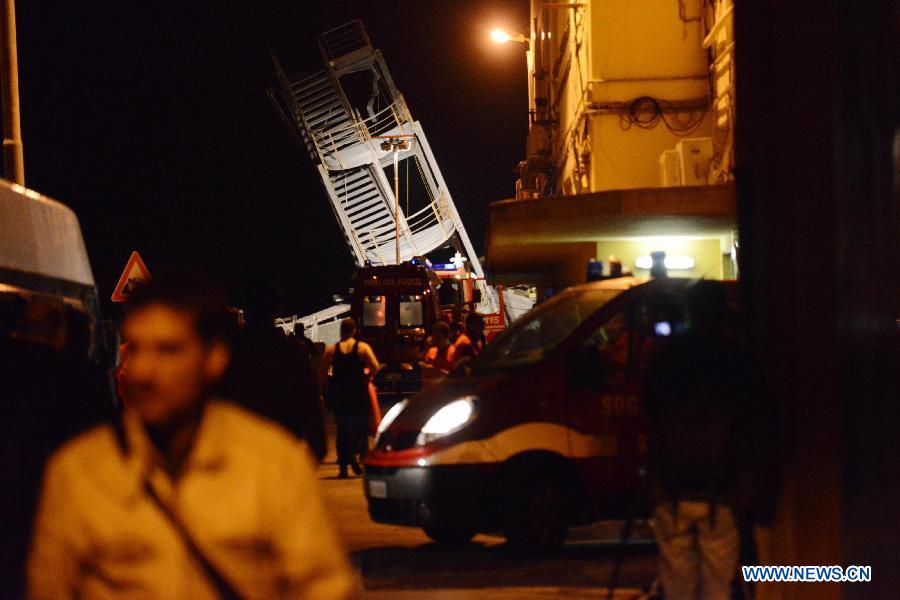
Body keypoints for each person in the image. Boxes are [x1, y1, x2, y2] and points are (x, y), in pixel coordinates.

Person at [28, 272, 355, 599]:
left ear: (214, 360)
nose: (142, 370)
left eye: (168, 350)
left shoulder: (273, 467)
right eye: (136, 349)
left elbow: (324, 587)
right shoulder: (77, 473)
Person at [644, 281, 768, 600]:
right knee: (719, 583)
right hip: (721, 488)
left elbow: (651, 414)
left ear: (690, 311)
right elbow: (755, 421)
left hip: (672, 487)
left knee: (678, 585)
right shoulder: (736, 361)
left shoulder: (668, 360)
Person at [221, 277, 327, 462]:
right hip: (282, 450)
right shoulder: (292, 353)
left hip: (239, 455)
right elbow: (310, 405)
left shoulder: (226, 353)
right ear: (278, 308)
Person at [320, 318, 379, 479]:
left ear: (341, 331)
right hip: (359, 394)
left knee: (342, 430)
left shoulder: (332, 350)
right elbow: (375, 366)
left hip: (340, 395)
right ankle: (357, 455)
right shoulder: (362, 348)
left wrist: (323, 392)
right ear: (354, 331)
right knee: (360, 428)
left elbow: (322, 373)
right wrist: (368, 376)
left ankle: (343, 467)